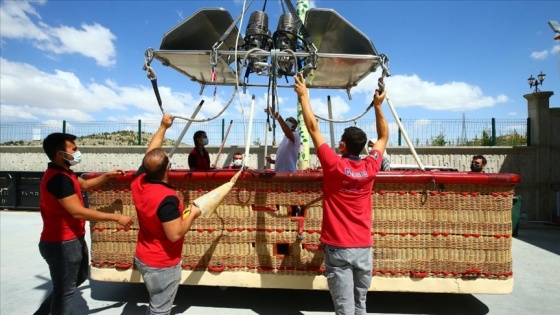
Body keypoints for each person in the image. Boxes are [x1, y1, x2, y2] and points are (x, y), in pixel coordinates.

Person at [294, 73, 388, 315]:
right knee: (360, 305)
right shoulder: (370, 166)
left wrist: (304, 95)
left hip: (338, 247)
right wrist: (378, 106)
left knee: (344, 308)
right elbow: (383, 137)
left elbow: (313, 127)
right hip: (364, 246)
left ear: (343, 145)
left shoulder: (334, 165)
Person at [35, 133, 134, 315]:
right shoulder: (59, 179)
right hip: (62, 243)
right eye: (74, 149)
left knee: (75, 281)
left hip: (72, 240)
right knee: (65, 293)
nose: (78, 152)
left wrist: (107, 176)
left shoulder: (66, 173)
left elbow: (86, 185)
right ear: (59, 154)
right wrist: (116, 218)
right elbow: (77, 211)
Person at [132, 113, 202, 315]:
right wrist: (193, 213)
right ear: (168, 168)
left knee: (155, 303)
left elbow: (150, 153)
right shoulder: (167, 198)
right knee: (160, 309)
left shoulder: (139, 182)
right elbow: (175, 234)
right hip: (162, 264)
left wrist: (163, 127)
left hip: (144, 257)